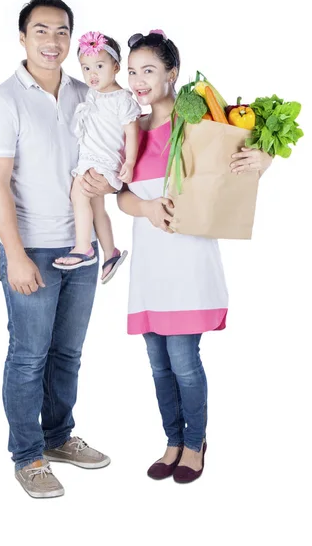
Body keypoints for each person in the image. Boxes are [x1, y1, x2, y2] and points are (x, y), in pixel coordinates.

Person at [117, 30, 273, 483]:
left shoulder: (200, 121)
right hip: (149, 262)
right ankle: (171, 439)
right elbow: (123, 197)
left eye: (148, 70)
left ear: (172, 74)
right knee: (157, 361)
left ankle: (194, 441)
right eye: (131, 71)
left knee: (184, 359)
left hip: (187, 261)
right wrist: (145, 207)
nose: (138, 80)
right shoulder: (130, 128)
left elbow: (249, 144)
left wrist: (264, 157)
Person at [0, 0, 113, 499]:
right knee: (29, 356)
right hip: (31, 249)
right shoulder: (3, 101)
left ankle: (58, 438)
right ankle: (28, 456)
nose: (52, 41)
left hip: (81, 248)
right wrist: (13, 254)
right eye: (41, 31)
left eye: (61, 32)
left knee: (68, 354)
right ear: (22, 37)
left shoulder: (88, 93)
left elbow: (113, 150)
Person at [53, 31, 141, 283]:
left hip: (105, 161)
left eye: (99, 66)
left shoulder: (121, 99)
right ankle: (110, 252)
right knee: (96, 207)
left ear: (115, 67)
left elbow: (131, 132)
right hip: (90, 157)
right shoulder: (94, 92)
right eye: (86, 68)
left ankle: (83, 247)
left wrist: (130, 162)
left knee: (79, 192)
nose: (92, 74)